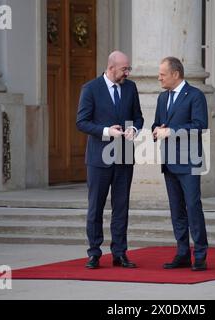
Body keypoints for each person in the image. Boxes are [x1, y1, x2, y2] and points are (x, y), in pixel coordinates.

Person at [76, 51, 144, 269]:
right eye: (124, 69)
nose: (127, 73)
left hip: (124, 156)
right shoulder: (91, 88)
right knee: (95, 206)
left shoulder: (130, 87)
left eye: (128, 69)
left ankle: (120, 253)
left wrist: (134, 128)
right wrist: (106, 131)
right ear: (111, 67)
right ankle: (94, 253)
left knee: (121, 207)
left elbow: (139, 116)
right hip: (99, 158)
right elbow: (82, 122)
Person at [152, 57, 209, 271]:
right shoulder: (161, 97)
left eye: (162, 74)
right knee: (177, 210)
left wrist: (172, 131)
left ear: (175, 74)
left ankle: (201, 255)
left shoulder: (195, 95)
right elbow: (157, 124)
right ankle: (183, 253)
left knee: (193, 207)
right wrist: (157, 130)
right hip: (169, 161)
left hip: (189, 161)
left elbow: (200, 126)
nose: (159, 78)